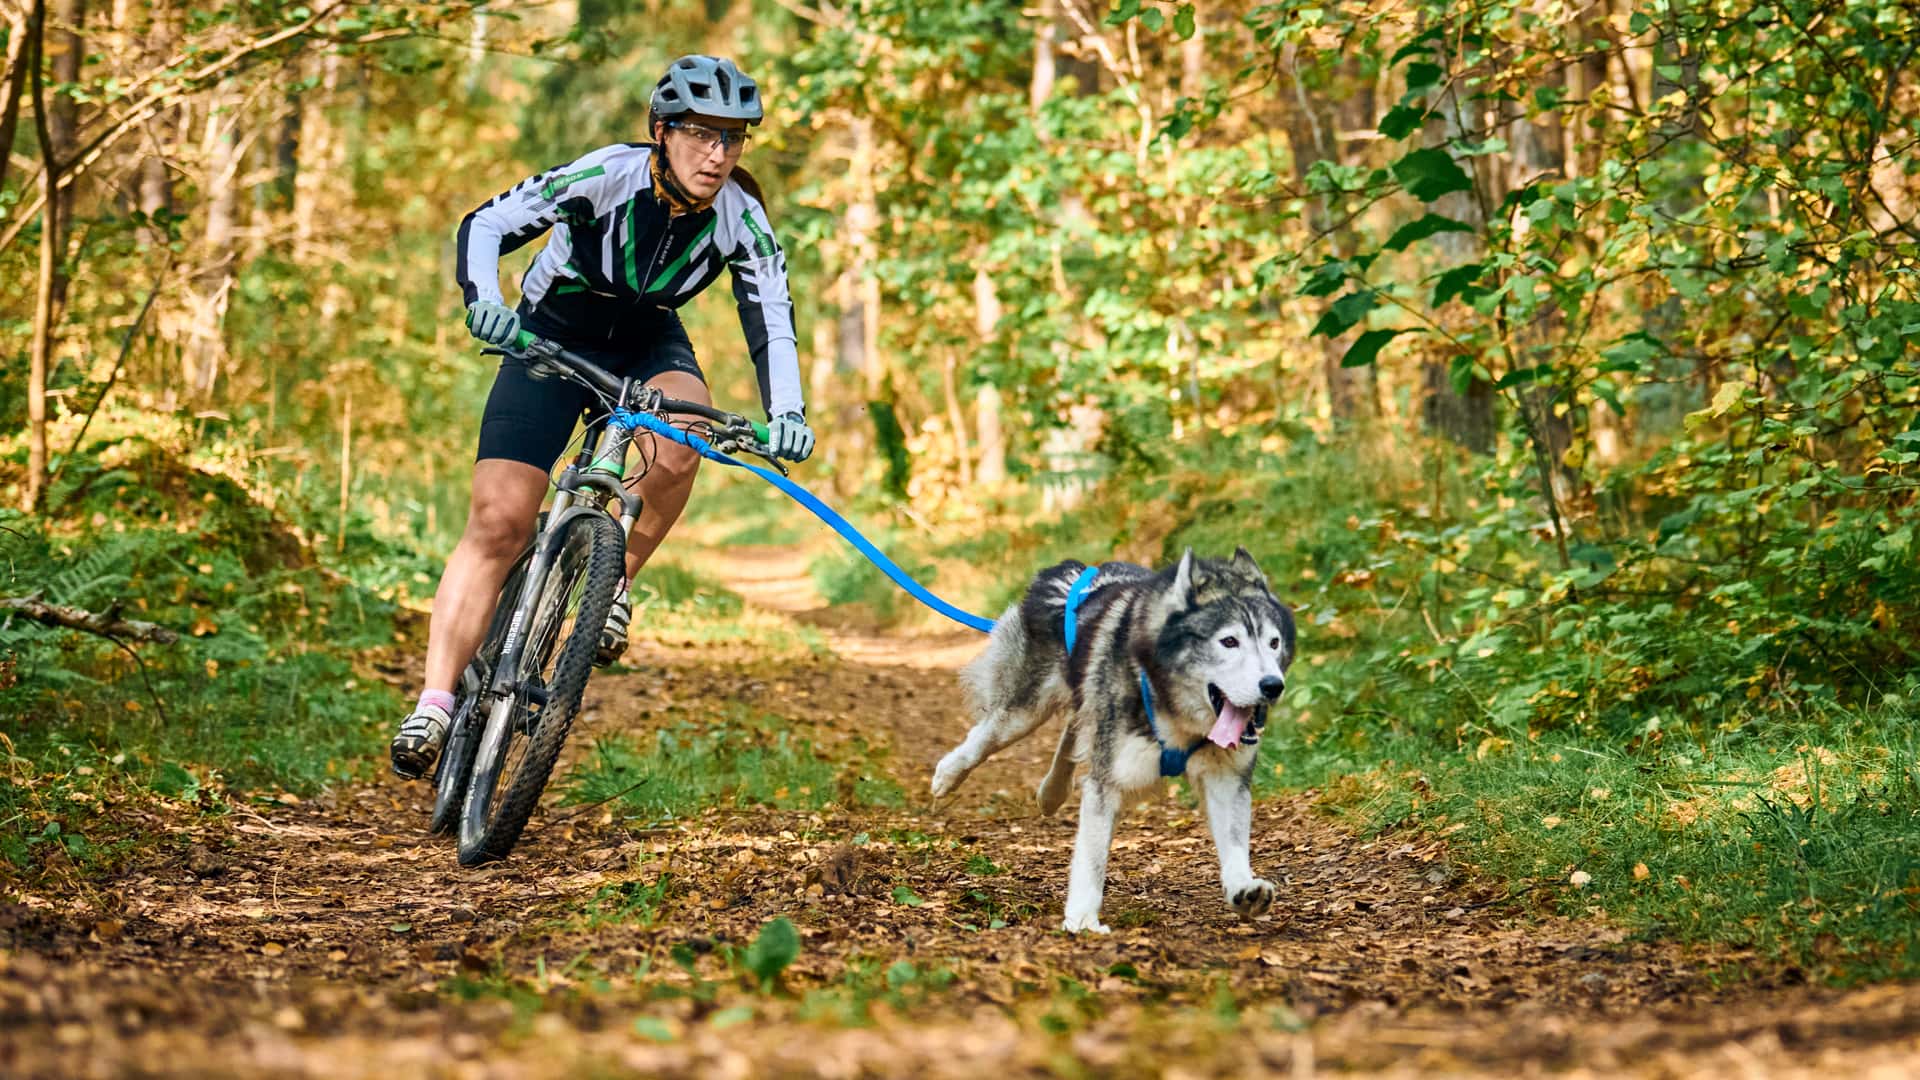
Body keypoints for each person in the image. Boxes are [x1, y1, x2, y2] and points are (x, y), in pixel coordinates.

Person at [389, 55, 813, 779]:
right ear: (661, 131)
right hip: (550, 336)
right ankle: (434, 702)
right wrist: (481, 299)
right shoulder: (606, 175)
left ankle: (613, 582)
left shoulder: (741, 216)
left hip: (647, 343)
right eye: (702, 135)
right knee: (500, 521)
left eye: (733, 139)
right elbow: (487, 221)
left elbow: (771, 313)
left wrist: (789, 411)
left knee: (687, 440)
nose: (718, 154)